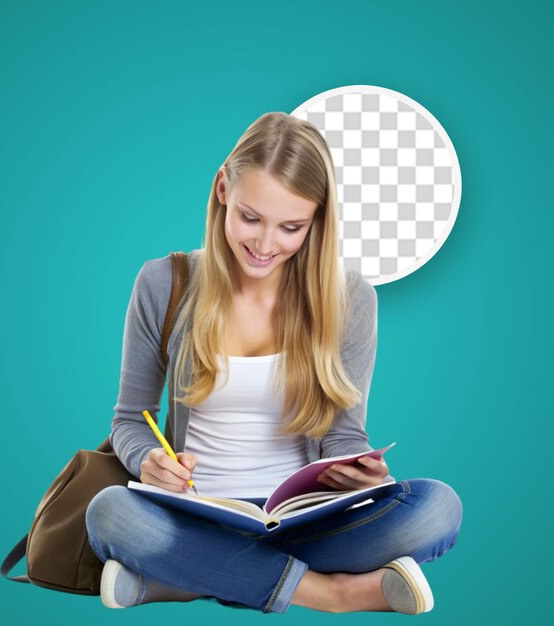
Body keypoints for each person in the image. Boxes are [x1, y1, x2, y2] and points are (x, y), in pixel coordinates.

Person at [85, 112, 463, 614]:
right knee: (110, 513)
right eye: (250, 217)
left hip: (305, 520)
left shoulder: (350, 299)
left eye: (291, 227)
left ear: (318, 220)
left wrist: (364, 472)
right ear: (223, 188)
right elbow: (131, 419)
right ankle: (330, 594)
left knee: (437, 508)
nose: (265, 246)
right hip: (195, 512)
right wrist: (148, 462)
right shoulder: (163, 282)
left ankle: (184, 577)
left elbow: (344, 435)